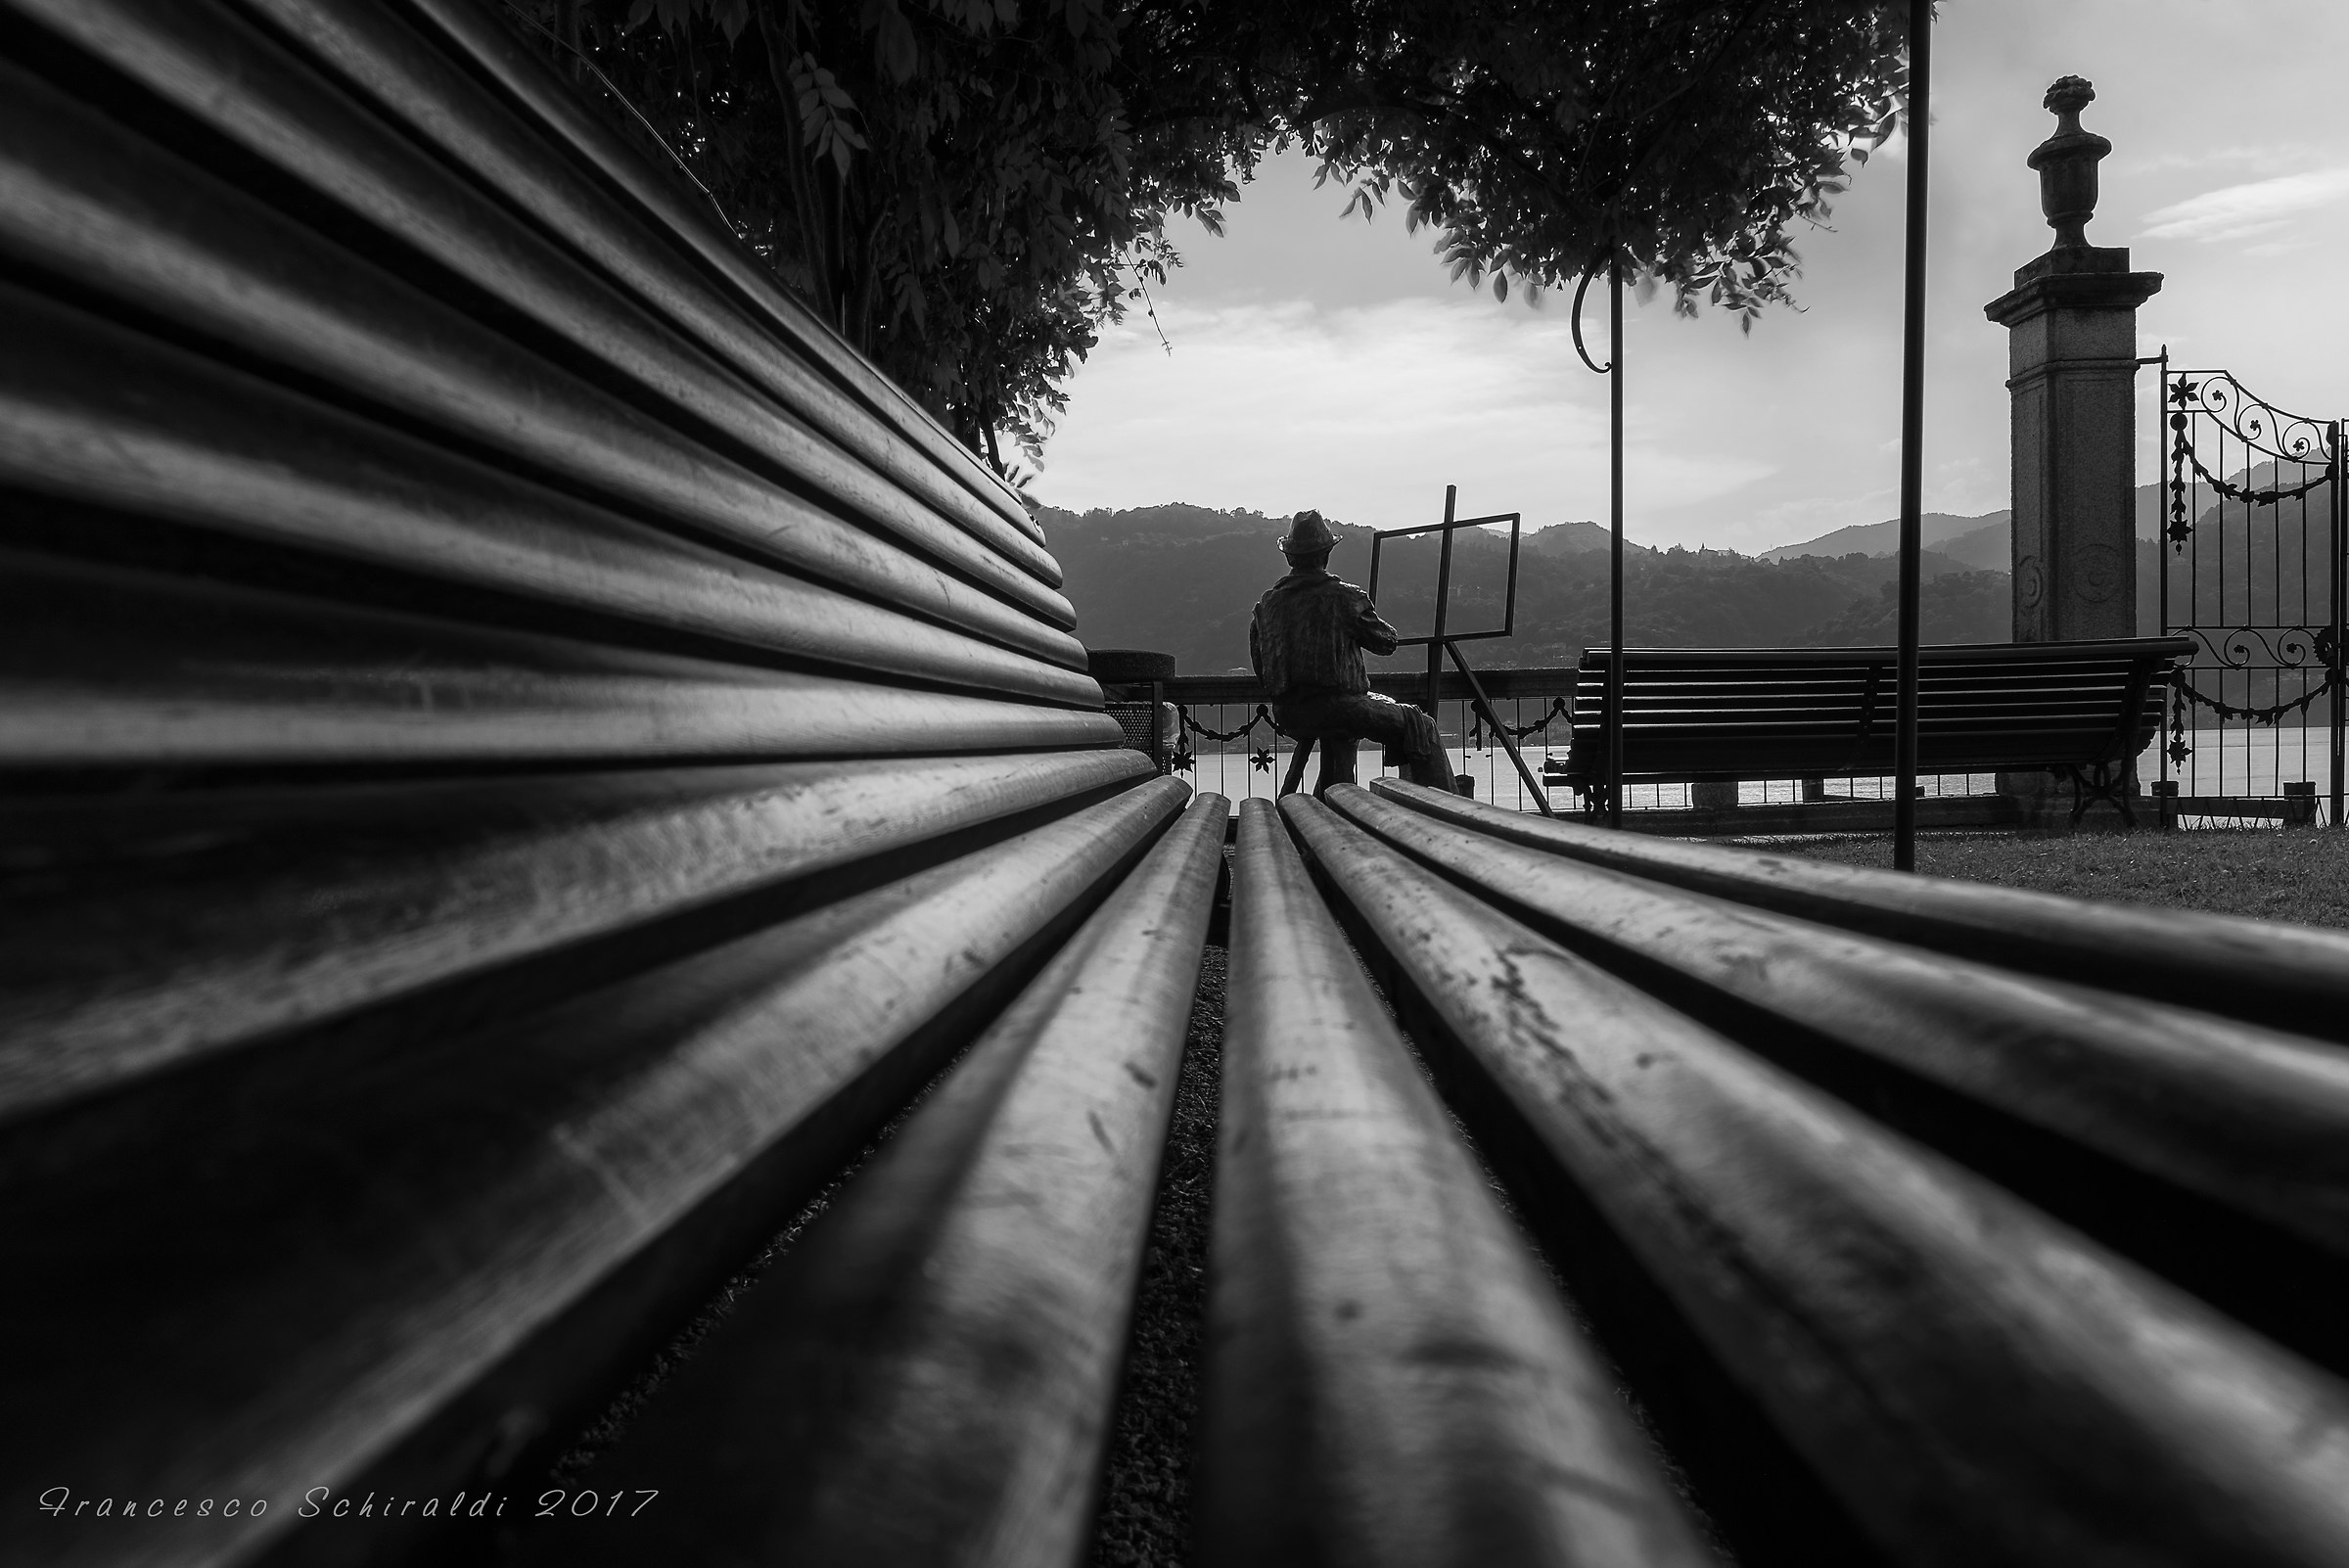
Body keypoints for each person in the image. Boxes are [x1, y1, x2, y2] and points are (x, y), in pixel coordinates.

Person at [1248, 510, 1456, 791]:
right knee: (1423, 726)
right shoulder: (1344, 596)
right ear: (1325, 555)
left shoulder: (1267, 605)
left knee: (1343, 732)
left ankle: (1333, 800)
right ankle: (1448, 817)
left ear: (1290, 557)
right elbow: (1386, 643)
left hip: (1290, 713)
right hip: (1341, 709)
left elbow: (1261, 667)